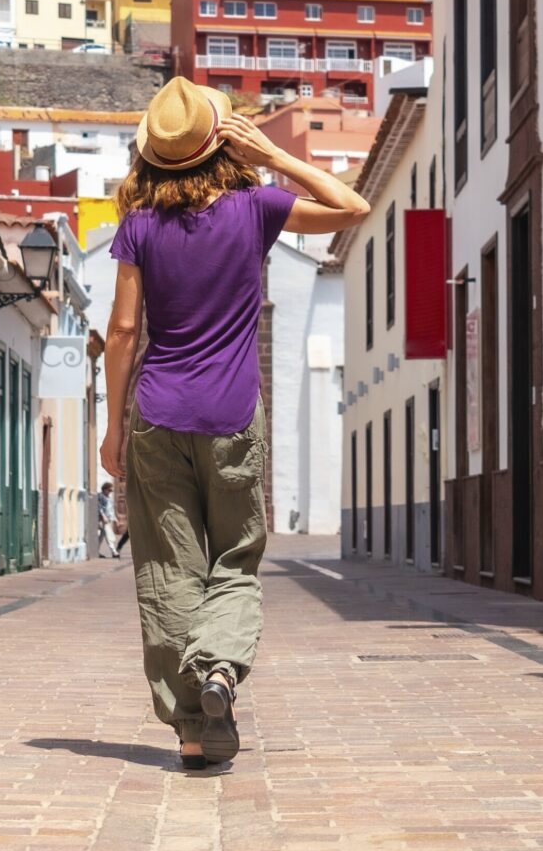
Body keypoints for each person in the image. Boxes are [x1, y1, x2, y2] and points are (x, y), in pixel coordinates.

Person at [99, 78, 370, 771]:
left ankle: (194, 731)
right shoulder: (255, 209)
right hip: (232, 412)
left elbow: (124, 330)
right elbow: (352, 206)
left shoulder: (137, 226)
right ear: (221, 143)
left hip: (158, 414)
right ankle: (220, 670)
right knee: (236, 558)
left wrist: (112, 429)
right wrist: (274, 154)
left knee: (168, 570)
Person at [95, 482, 120, 558]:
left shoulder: (109, 498)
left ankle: (96, 551)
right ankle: (114, 552)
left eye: (111, 491)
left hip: (108, 520)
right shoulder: (100, 496)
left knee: (101, 537)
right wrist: (103, 516)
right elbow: (99, 507)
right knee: (109, 536)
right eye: (109, 490)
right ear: (105, 489)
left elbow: (111, 509)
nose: (110, 492)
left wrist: (115, 518)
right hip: (103, 520)